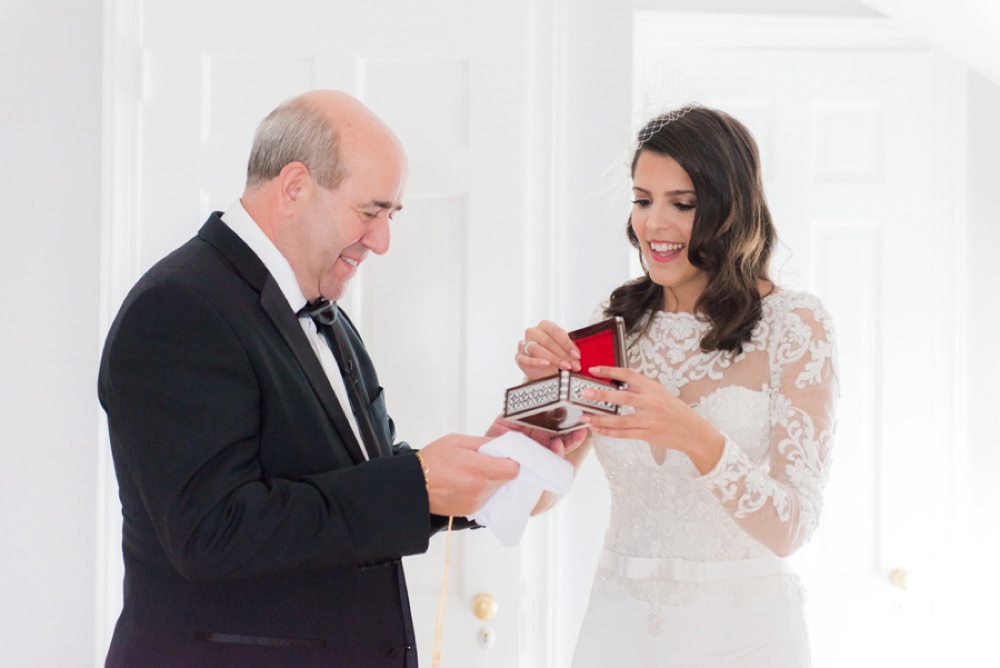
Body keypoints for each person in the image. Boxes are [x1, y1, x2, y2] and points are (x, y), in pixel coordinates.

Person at [98, 89, 581, 668]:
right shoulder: (179, 306)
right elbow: (212, 531)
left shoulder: (327, 311)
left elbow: (358, 480)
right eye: (371, 211)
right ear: (295, 187)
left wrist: (490, 461)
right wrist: (418, 482)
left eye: (390, 217)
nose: (382, 241)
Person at [516, 106, 839, 667]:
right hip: (618, 630)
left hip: (747, 636)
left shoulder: (796, 325)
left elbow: (794, 525)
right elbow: (533, 498)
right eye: (643, 200)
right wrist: (541, 399)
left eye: (681, 204)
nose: (654, 225)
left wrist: (695, 435)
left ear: (728, 209)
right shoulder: (617, 322)